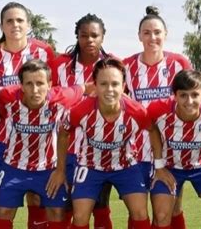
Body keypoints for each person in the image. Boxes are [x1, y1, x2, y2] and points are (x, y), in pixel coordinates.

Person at [0, 1, 55, 229]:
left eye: (20, 20)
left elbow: (51, 93)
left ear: (28, 24)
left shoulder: (44, 51)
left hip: (38, 140)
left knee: (36, 198)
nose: (15, 25)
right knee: (0, 197)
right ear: (1, 25)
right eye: (9, 21)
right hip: (0, 139)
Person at [0, 59, 85, 229]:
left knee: (57, 214)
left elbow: (87, 88)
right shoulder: (8, 96)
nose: (35, 90)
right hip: (14, 167)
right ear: (21, 85)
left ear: (49, 84)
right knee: (2, 212)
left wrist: (60, 170)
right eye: (29, 84)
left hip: (48, 169)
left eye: (40, 83)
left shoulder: (62, 97)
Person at [59, 58, 151, 229]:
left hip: (125, 166)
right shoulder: (81, 110)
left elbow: (153, 131)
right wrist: (60, 170)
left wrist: (159, 166)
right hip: (90, 166)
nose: (110, 89)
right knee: (79, 216)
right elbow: (63, 132)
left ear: (123, 86)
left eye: (115, 84)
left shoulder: (137, 111)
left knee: (140, 213)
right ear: (95, 85)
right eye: (103, 84)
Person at [123, 6, 192, 228]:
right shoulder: (127, 66)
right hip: (137, 149)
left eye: (157, 32)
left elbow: (195, 92)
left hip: (172, 147)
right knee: (138, 209)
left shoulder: (178, 63)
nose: (152, 37)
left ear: (165, 35)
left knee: (172, 208)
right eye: (147, 32)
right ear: (139, 36)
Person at [147, 69, 201, 229]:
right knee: (161, 215)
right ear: (175, 96)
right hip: (169, 166)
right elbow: (151, 128)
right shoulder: (158, 109)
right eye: (183, 95)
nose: (189, 101)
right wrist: (159, 166)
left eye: (195, 95)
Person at [49, 13, 113, 228]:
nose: (89, 40)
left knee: (101, 208)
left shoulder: (113, 65)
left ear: (103, 37)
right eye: (84, 35)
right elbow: (49, 95)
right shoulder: (60, 65)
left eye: (95, 35)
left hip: (102, 149)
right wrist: (77, 92)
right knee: (65, 208)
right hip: (67, 148)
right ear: (77, 36)